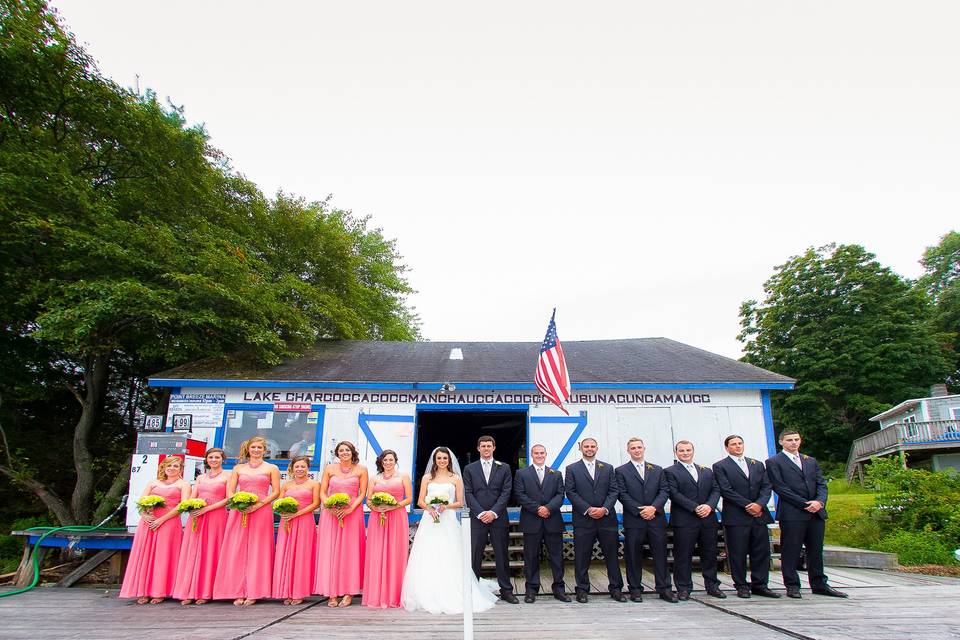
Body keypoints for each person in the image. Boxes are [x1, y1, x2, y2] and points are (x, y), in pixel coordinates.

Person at [401, 446, 498, 614]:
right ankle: (426, 592)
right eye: (439, 458)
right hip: (430, 520)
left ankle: (452, 590)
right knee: (428, 554)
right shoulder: (427, 477)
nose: (442, 461)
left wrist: (444, 507)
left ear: (449, 460)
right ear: (434, 460)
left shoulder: (455, 478)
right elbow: (420, 501)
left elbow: (460, 502)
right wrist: (430, 508)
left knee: (449, 553)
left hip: (448, 520)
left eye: (445, 458)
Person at [766, 430, 847, 599]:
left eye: (796, 439)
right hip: (792, 513)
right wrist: (804, 504)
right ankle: (792, 585)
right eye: (789, 440)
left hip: (816, 512)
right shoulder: (774, 462)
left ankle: (819, 584)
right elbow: (779, 487)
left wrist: (819, 502)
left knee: (815, 550)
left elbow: (821, 484)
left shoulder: (810, 461)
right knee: (791, 550)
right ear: (781, 442)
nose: (793, 443)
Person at [212, 436, 281, 606]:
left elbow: (276, 492)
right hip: (239, 509)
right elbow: (230, 490)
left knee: (259, 548)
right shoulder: (238, 468)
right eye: (253, 447)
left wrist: (259, 505)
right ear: (248, 449)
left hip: (261, 509)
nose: (256, 450)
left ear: (265, 450)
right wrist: (236, 502)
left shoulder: (272, 468)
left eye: (259, 448)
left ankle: (254, 590)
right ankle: (236, 590)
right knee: (237, 547)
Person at [712, 435, 779, 599]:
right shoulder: (720, 466)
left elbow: (766, 486)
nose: (737, 446)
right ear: (727, 448)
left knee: (761, 552)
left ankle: (760, 584)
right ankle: (741, 585)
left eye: (740, 443)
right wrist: (748, 505)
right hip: (737, 516)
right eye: (733, 444)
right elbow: (726, 490)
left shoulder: (756, 464)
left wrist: (759, 504)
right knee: (738, 552)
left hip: (759, 515)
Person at [120, 456, 191, 604]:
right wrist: (144, 515)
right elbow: (141, 501)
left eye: (176, 466)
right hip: (149, 521)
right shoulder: (153, 483)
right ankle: (143, 590)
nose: (172, 468)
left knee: (163, 555)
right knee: (146, 554)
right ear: (163, 467)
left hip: (169, 521)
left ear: (181, 469)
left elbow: (183, 505)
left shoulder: (183, 485)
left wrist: (162, 519)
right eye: (169, 466)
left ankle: (160, 590)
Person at [564, 438, 625, 603]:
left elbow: (614, 490)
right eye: (586, 446)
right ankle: (582, 589)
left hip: (606, 519)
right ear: (580, 448)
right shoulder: (572, 469)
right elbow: (571, 491)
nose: (589, 449)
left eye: (592, 446)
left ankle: (616, 588)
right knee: (582, 557)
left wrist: (604, 509)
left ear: (597, 448)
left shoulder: (607, 468)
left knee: (612, 555)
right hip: (584, 519)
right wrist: (588, 509)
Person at [615, 437, 676, 603]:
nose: (636, 450)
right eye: (633, 448)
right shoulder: (621, 471)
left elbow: (664, 491)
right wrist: (639, 510)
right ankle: (635, 589)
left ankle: (664, 589)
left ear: (644, 448)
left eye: (639, 447)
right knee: (633, 555)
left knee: (660, 554)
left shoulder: (657, 470)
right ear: (628, 451)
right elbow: (622, 493)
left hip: (655, 518)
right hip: (634, 519)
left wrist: (653, 508)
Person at [664, 440, 725, 600]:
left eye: (688, 450)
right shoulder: (670, 471)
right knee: (683, 555)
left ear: (693, 451)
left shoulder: (706, 471)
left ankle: (712, 586)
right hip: (685, 519)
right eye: (682, 450)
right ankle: (683, 588)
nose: (685, 453)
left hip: (707, 518)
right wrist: (694, 507)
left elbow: (716, 489)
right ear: (676, 452)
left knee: (710, 553)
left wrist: (709, 506)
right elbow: (674, 493)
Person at [462, 435, 518, 604]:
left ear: (494, 448)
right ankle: (472, 590)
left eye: (489, 446)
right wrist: (480, 513)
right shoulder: (470, 469)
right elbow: (468, 493)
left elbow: (506, 492)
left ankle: (506, 591)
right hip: (477, 518)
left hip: (498, 518)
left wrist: (493, 512)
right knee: (475, 555)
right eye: (483, 446)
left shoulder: (505, 468)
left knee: (502, 554)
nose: (486, 448)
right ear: (478, 448)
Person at [172, 447, 230, 605]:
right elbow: (193, 495)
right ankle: (189, 590)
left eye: (217, 457)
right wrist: (191, 506)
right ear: (206, 460)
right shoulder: (200, 478)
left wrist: (208, 508)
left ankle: (206, 591)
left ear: (222, 459)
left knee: (211, 550)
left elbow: (228, 498)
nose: (214, 460)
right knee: (193, 550)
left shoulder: (228, 476)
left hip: (216, 514)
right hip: (197, 515)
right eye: (211, 457)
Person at [513, 444, 569, 603]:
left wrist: (548, 508)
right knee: (531, 557)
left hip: (552, 520)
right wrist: (537, 509)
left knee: (557, 556)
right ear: (531, 455)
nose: (539, 455)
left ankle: (559, 588)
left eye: (541, 453)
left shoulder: (556, 474)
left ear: (546, 454)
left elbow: (560, 494)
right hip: (531, 520)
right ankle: (531, 589)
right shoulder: (521, 473)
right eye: (536, 453)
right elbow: (519, 494)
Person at [314, 440, 368, 607]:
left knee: (349, 551)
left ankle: (348, 591)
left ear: (353, 452)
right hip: (330, 512)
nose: (344, 453)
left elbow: (362, 493)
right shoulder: (330, 469)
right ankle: (332, 592)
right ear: (337, 453)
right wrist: (329, 505)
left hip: (352, 512)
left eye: (347, 450)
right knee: (330, 550)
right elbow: (323, 491)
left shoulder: (361, 470)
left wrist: (351, 508)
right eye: (341, 450)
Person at [363, 449, 413, 608]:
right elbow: (368, 500)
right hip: (377, 517)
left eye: (391, 460)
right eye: (385, 460)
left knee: (395, 552)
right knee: (376, 552)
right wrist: (377, 508)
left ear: (395, 461)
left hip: (397, 516)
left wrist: (393, 506)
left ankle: (394, 594)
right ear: (381, 462)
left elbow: (410, 498)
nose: (388, 463)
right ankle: (376, 594)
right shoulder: (374, 478)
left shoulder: (403, 476)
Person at [272, 456, 320, 605]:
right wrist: (283, 513)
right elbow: (278, 502)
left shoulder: (314, 484)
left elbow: (316, 503)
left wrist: (298, 514)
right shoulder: (286, 485)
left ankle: (299, 592)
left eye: (303, 466)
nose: (300, 469)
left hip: (305, 520)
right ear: (292, 468)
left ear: (308, 468)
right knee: (286, 553)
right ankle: (286, 590)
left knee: (301, 555)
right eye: (297, 466)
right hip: (287, 521)